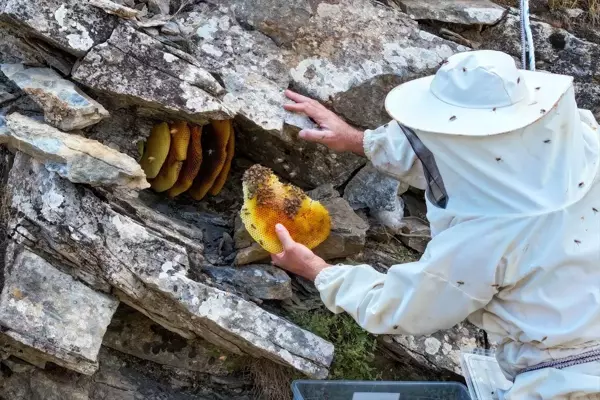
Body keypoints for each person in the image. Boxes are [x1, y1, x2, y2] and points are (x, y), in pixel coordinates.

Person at [272, 49, 600, 399]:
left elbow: (404, 308)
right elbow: (460, 156)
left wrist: (319, 271)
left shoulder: (488, 237)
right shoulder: (584, 141)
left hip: (565, 384)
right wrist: (358, 140)